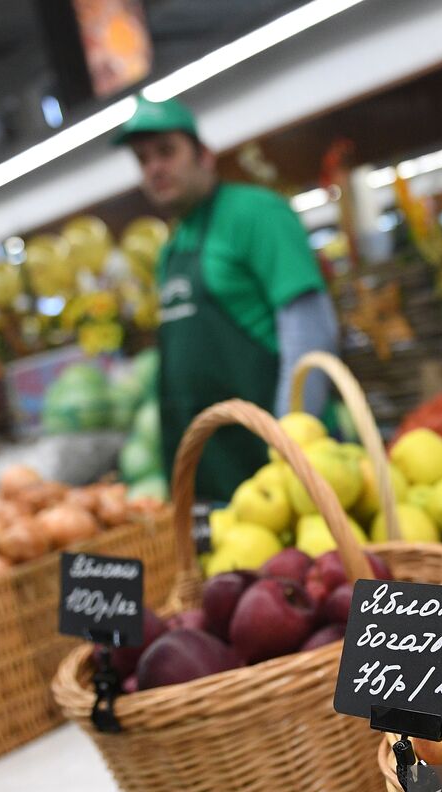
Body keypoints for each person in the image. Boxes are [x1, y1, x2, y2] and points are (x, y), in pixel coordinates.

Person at [115, 95, 338, 501]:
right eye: (143, 159)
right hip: (216, 481)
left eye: (166, 152)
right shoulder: (171, 249)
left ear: (204, 155)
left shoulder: (256, 214)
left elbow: (311, 332)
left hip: (281, 471)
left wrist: (291, 447)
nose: (154, 168)